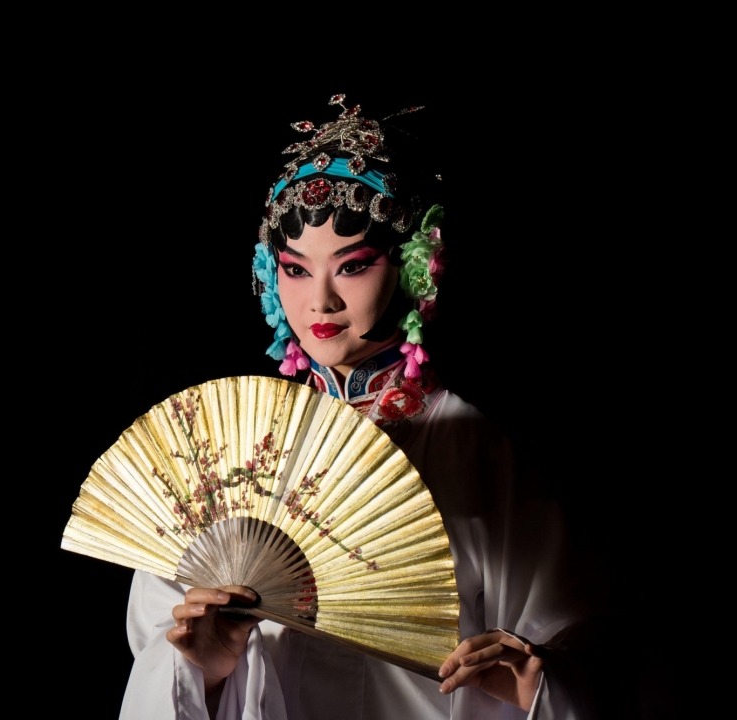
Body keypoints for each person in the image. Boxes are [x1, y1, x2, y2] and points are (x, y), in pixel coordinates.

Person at [118, 94, 602, 719]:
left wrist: (535, 684)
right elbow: (153, 659)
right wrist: (200, 668)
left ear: (413, 265)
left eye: (352, 265)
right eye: (294, 269)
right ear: (269, 274)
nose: (319, 299)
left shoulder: (482, 453)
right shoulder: (220, 454)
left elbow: (591, 649)